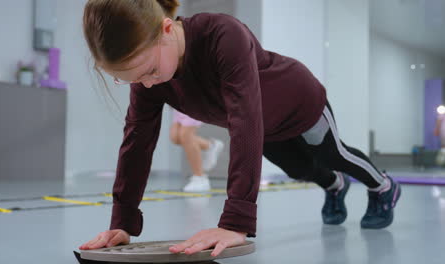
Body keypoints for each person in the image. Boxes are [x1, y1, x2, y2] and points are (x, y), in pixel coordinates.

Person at [79, 0, 402, 257]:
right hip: (268, 125)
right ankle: (335, 187)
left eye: (148, 71)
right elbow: (137, 140)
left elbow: (244, 120)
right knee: (300, 168)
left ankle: (384, 187)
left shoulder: (222, 34)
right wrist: (121, 222)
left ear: (166, 29)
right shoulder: (149, 81)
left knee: (333, 153)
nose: (145, 83)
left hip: (299, 100)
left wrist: (235, 222)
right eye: (133, 79)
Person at [169, 109, 224, 192]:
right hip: (179, 104)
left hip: (194, 101)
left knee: (186, 135)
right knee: (175, 137)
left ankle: (200, 178)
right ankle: (210, 145)